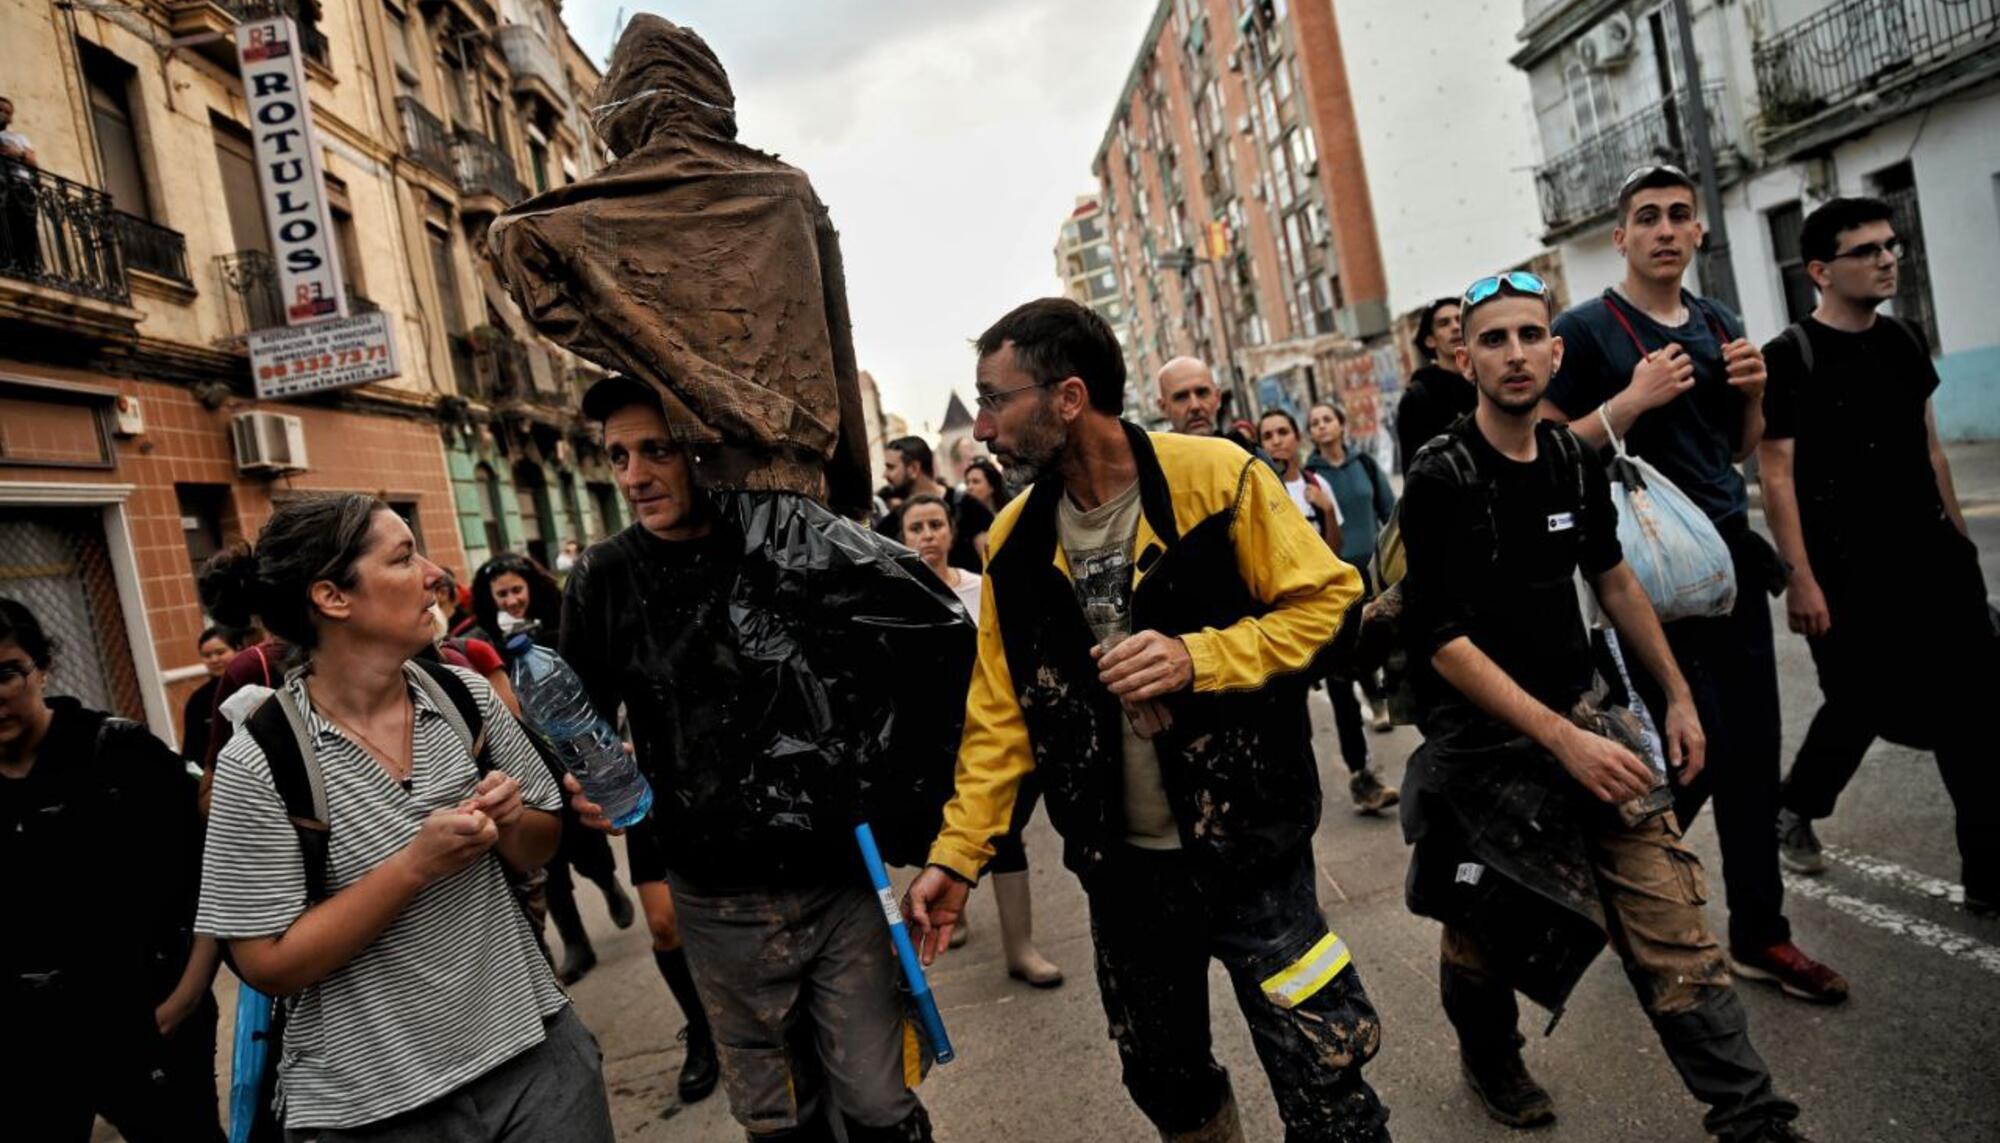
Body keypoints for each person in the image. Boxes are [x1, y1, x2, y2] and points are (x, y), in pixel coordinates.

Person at [907, 298, 1391, 1142]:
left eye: (994, 400)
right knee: (1167, 1082)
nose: (980, 428)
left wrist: (1198, 657)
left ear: (1067, 397)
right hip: (1123, 874)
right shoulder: (1013, 543)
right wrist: (957, 857)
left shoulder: (1219, 477)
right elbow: (1000, 718)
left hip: (1255, 850)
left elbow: (1329, 601)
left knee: (1327, 1077)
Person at [1400, 271, 1809, 1141]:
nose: (1515, 354)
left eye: (1529, 336)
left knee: (1671, 921)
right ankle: (1491, 1055)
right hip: (1482, 750)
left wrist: (1677, 695)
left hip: (1588, 720)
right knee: (1486, 934)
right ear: (1465, 358)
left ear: (1555, 350)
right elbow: (1437, 634)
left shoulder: (1567, 459)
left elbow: (1613, 576)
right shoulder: (1443, 472)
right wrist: (1555, 736)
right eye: (1493, 339)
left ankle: (1752, 1118)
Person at [562, 374, 936, 1141]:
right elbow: (578, 723)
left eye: (656, 450)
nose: (634, 475)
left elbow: (910, 646)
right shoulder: (603, 578)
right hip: (714, 895)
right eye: (619, 456)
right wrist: (582, 781)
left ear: (702, 448)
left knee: (879, 1103)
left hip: (837, 878)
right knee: (780, 1118)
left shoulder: (785, 541)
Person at [191, 495, 612, 1141]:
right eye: (402, 557)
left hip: (537, 1063)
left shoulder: (462, 695)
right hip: (373, 1107)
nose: (433, 574)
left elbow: (542, 843)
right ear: (333, 597)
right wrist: (413, 866)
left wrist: (511, 819)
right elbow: (264, 962)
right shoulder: (262, 759)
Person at [1542, 164, 1847, 1004]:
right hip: (1640, 588)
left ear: (1700, 229)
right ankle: (1623, 902)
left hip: (1726, 568)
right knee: (1678, 761)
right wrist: (1629, 403)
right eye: (1648, 217)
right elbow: (1549, 450)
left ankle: (1762, 934)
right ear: (1622, 236)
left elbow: (1738, 449)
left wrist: (1751, 396)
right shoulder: (1588, 329)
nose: (1667, 229)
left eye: (1681, 214)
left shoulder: (1718, 321)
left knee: (1749, 756)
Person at [1757, 196, 1998, 915]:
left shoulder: (1904, 339)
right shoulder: (1789, 355)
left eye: (1891, 245)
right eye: (1868, 249)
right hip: (1846, 571)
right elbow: (1775, 472)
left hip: (1934, 561)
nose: (1888, 257)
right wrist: (1799, 577)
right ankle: (1796, 804)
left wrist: (1962, 548)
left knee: (1979, 713)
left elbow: (1930, 450)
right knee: (1860, 700)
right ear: (1820, 271)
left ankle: (1987, 875)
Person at [1, 599, 224, 1143]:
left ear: (42, 667)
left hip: (146, 1027)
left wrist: (182, 1002)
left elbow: (218, 874)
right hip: (29, 1045)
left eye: (6, 673)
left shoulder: (118, 754)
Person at [901, 492, 1063, 986]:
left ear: (951, 532)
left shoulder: (979, 588)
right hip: (929, 742)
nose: (928, 535)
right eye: (916, 527)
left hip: (984, 734)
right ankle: (954, 913)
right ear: (901, 537)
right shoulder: (894, 594)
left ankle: (1021, 949)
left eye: (935, 524)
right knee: (944, 833)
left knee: (1007, 834)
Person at [472, 552, 635, 983]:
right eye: (501, 593)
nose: (510, 600)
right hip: (519, 766)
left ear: (531, 588)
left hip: (564, 753)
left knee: (585, 841)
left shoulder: (558, 623)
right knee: (548, 861)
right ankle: (576, 942)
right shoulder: (481, 639)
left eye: (516, 590)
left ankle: (607, 883)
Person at [1300, 403, 1402, 811]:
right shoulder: (1312, 477)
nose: (1322, 425)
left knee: (1384, 649)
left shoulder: (1362, 464)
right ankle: (1361, 774)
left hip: (1372, 578)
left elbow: (1389, 511)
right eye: (1315, 422)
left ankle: (1379, 696)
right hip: (1332, 588)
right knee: (1343, 671)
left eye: (1328, 418)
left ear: (1341, 425)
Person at [880, 435, 991, 573]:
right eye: (915, 528)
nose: (885, 475)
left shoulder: (970, 508)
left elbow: (993, 568)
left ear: (914, 468)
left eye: (891, 467)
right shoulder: (888, 526)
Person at [1394, 297, 1469, 473]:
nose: (1455, 327)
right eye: (1444, 323)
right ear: (1430, 340)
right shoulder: (1418, 396)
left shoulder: (1489, 381)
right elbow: (1414, 468)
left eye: (1460, 319)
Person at [182, 625, 244, 764]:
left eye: (220, 652)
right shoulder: (198, 700)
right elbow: (191, 749)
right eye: (207, 655)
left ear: (238, 649)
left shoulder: (254, 684)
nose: (214, 660)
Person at [1, 94, 39, 277]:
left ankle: (29, 267)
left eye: (7, 112)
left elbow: (33, 160)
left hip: (20, 186)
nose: (3, 115)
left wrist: (17, 153)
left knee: (25, 229)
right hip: (2, 187)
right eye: (0, 110)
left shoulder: (19, 138)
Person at [1156, 355, 1223, 437]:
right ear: (1163, 408)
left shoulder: (1237, 448)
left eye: (1202, 393)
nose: (1195, 406)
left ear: (1217, 398)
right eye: (1181, 397)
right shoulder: (1156, 450)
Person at [961, 456, 1011, 563]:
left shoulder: (1008, 515)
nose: (969, 487)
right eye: (967, 482)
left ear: (992, 486)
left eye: (975, 482)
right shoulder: (966, 522)